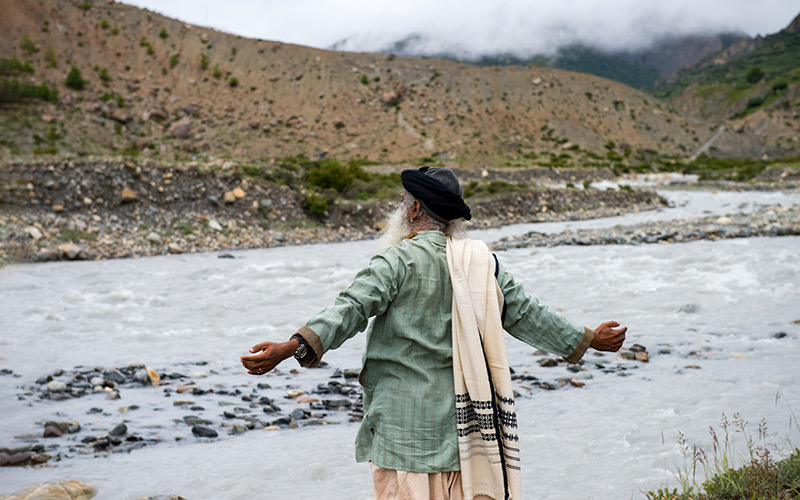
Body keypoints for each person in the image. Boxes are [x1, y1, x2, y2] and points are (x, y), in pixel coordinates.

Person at [241, 167, 627, 500]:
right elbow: (526, 314)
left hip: (403, 432)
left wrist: (292, 347)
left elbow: (352, 308)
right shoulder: (482, 264)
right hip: (465, 431)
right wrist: (589, 338)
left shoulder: (397, 259)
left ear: (412, 210)